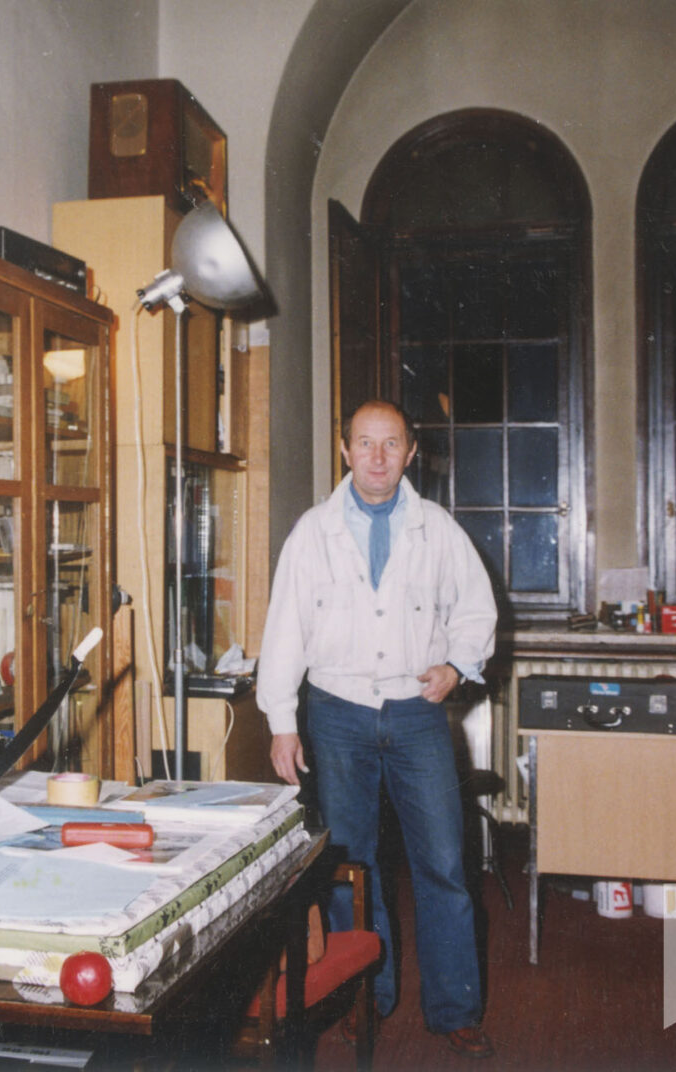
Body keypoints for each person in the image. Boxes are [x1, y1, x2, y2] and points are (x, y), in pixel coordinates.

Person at [256, 400, 498, 1059]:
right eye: (365, 443)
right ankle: (364, 997)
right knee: (350, 865)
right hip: (337, 715)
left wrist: (457, 665)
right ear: (345, 451)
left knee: (444, 863)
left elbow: (476, 612)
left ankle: (455, 1009)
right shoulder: (313, 532)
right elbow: (285, 630)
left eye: (391, 444)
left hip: (417, 713)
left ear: (411, 453)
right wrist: (282, 722)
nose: (378, 457)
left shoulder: (438, 529)